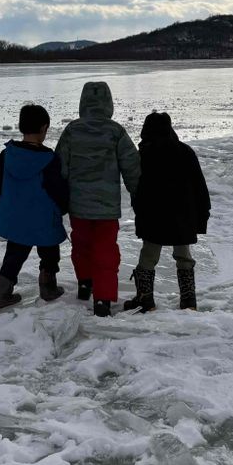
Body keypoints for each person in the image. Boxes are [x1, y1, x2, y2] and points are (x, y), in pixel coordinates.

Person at [55, 81, 141, 317]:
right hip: (106, 208)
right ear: (109, 103)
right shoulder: (115, 131)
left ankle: (85, 283)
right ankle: (102, 298)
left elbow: (59, 165)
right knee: (105, 250)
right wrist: (137, 195)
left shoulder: (72, 130)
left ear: (83, 103)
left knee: (81, 245)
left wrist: (59, 196)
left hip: (78, 206)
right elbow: (132, 166)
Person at [0, 104, 69, 310]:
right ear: (44, 128)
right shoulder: (49, 159)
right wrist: (64, 207)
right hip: (43, 219)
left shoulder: (7, 155)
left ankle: (0, 293)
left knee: (14, 255)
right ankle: (48, 287)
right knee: (50, 253)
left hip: (16, 219)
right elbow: (58, 189)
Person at [123, 111, 210, 312]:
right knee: (184, 256)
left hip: (154, 216)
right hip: (183, 216)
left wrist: (139, 212)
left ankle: (145, 300)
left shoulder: (144, 154)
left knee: (149, 256)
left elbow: (137, 188)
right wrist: (201, 215)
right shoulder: (185, 151)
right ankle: (189, 302)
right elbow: (200, 187)